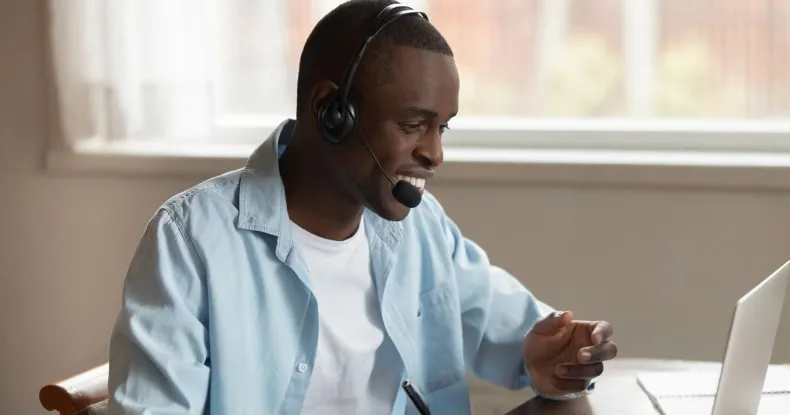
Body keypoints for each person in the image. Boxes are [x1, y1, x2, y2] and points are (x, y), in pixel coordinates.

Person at [107, 1, 618, 414]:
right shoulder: (191, 240)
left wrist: (552, 361)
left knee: (566, 412)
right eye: (414, 124)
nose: (435, 154)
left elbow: (516, 333)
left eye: (442, 128)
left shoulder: (422, 227)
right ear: (331, 112)